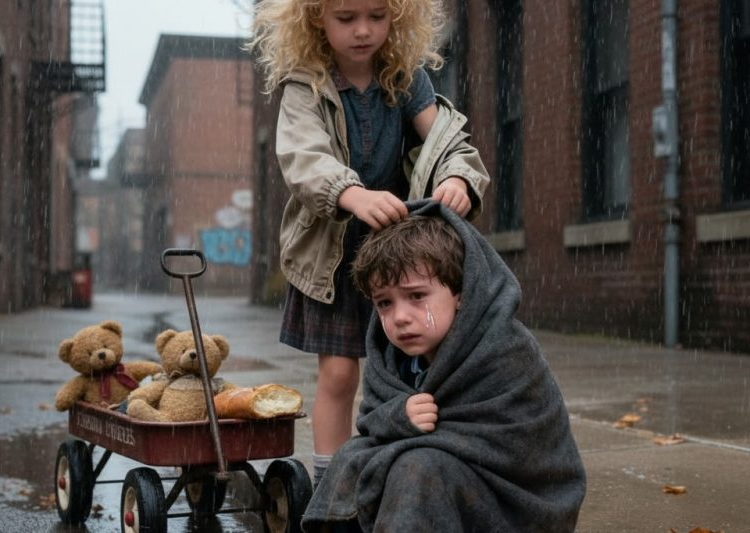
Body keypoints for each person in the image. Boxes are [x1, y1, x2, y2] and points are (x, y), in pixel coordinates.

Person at [249, 0, 490, 486]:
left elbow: (448, 142)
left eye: (377, 17)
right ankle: (332, 485)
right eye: (347, 18)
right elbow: (303, 160)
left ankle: (404, 469)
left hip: (399, 253)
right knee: (339, 375)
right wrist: (351, 193)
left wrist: (460, 180)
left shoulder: (405, 77)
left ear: (396, 17)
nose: (363, 30)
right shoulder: (305, 84)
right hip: (332, 255)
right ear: (316, 17)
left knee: (415, 368)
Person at [301, 200, 587, 532]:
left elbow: (520, 445)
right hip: (450, 483)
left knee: (420, 466)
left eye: (417, 296)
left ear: (461, 292)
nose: (400, 317)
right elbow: (373, 422)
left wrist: (415, 433)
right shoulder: (394, 360)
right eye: (384, 303)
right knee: (352, 455)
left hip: (516, 503)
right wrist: (399, 417)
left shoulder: (504, 350)